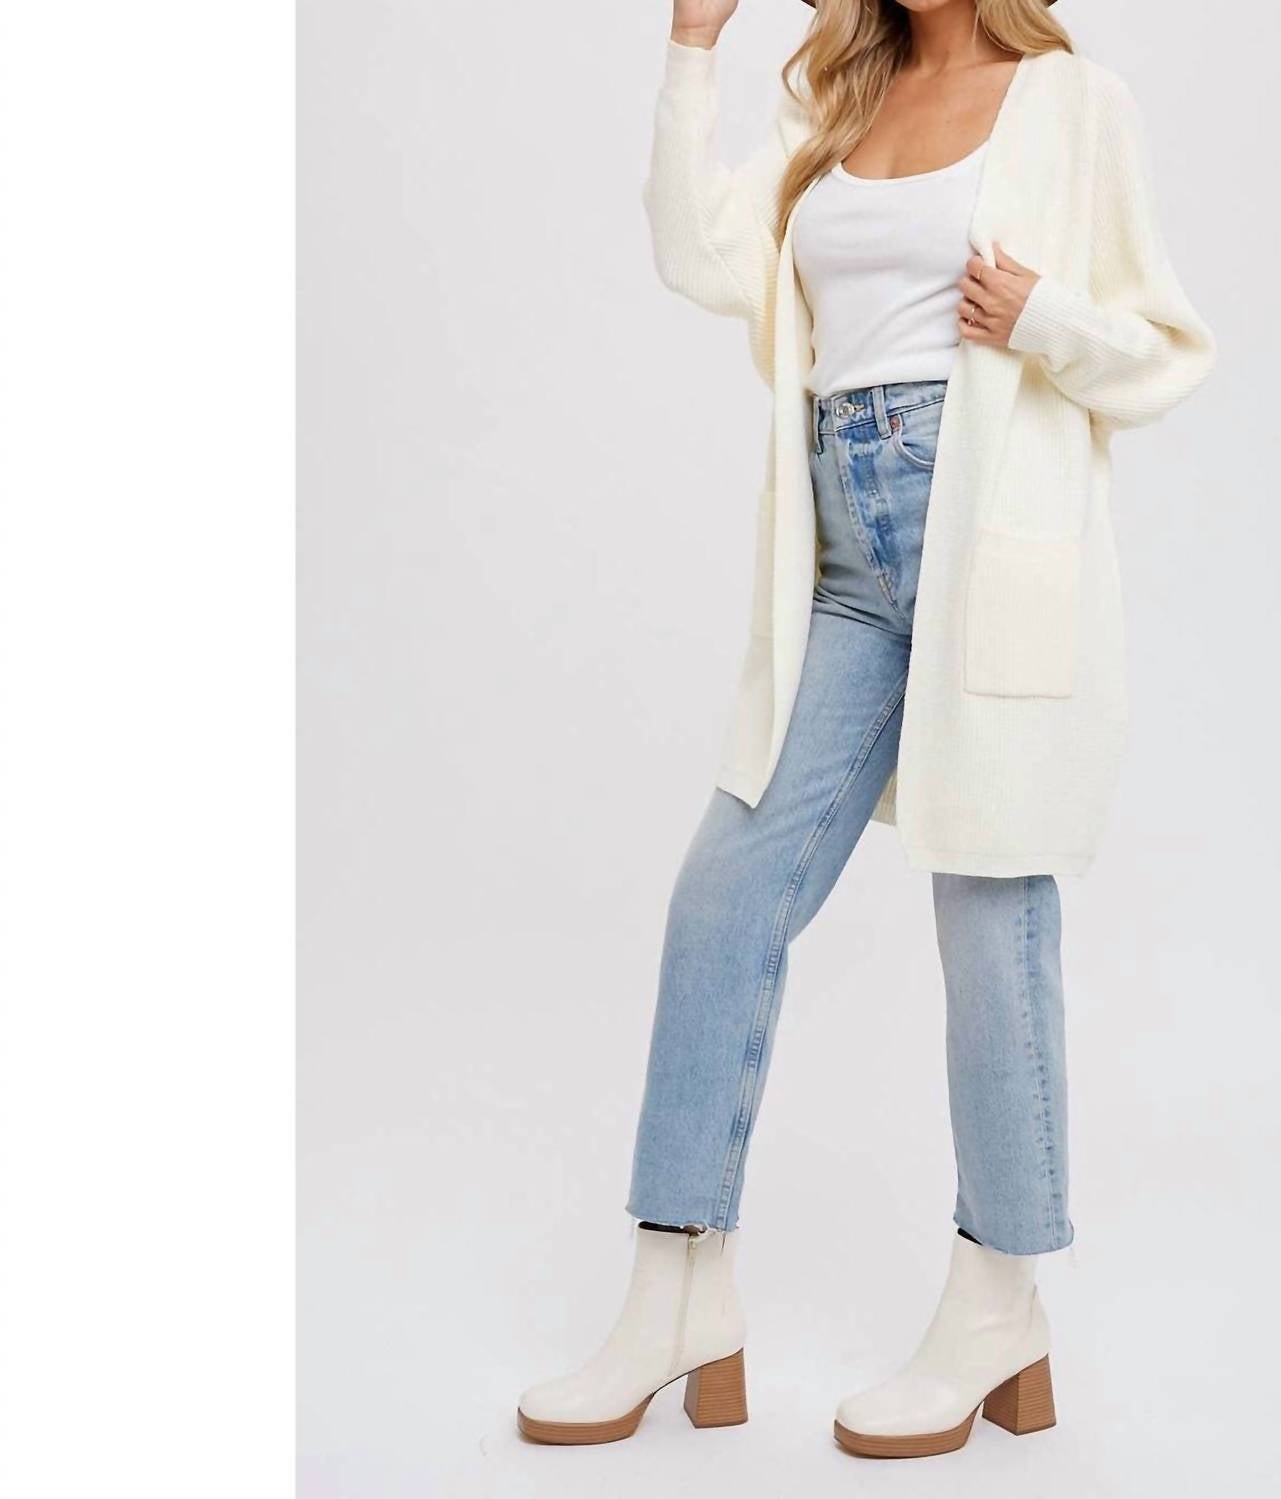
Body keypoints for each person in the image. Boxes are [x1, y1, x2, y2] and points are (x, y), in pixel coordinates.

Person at [518, 0, 1214, 1458]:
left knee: (990, 924)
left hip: (986, 539)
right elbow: (700, 255)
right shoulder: (835, 99)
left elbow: (1163, 352)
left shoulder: (1071, 101)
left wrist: (1042, 318)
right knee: (724, 899)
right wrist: (692, 45)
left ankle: (998, 1304)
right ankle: (677, 1292)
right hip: (842, 562)